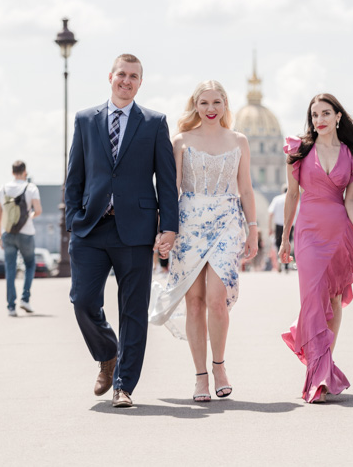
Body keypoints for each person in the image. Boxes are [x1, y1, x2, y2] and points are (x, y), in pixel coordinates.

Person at [65, 53, 178, 408]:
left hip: (137, 229)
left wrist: (169, 227)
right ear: (110, 77)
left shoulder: (154, 122)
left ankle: (123, 385)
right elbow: (75, 176)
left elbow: (166, 180)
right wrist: (74, 220)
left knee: (132, 311)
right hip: (91, 228)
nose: (126, 81)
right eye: (122, 74)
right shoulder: (85, 120)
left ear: (140, 83)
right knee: (82, 301)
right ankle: (107, 353)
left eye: (134, 76)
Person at [149, 80, 258, 402]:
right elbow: (171, 190)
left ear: (226, 106)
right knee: (194, 302)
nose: (211, 109)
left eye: (216, 103)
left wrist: (253, 230)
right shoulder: (181, 141)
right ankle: (200, 377)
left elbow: (247, 189)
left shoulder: (239, 140)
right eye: (204, 103)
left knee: (216, 299)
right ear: (195, 106)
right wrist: (165, 229)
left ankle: (219, 366)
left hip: (227, 222)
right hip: (189, 225)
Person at [279, 93, 353, 403]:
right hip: (308, 233)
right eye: (314, 114)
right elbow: (292, 196)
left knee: (333, 298)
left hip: (340, 232)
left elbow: (352, 201)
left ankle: (323, 368)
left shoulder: (352, 155)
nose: (319, 119)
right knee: (313, 297)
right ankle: (317, 375)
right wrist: (285, 237)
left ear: (337, 116)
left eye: (326, 113)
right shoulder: (298, 151)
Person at [0, 160, 42, 317]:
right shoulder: (31, 188)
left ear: (12, 172)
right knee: (29, 265)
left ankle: (11, 307)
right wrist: (30, 216)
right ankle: (25, 299)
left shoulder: (2, 189)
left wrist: (1, 236)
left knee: (10, 269)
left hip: (7, 233)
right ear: (25, 172)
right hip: (26, 233)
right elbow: (38, 210)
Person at [268, 186, 290, 272]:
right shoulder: (294, 198)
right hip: (290, 224)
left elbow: (270, 213)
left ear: (282, 191)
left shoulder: (277, 199)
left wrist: (270, 227)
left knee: (278, 244)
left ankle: (280, 260)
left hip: (279, 225)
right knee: (288, 243)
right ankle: (287, 264)